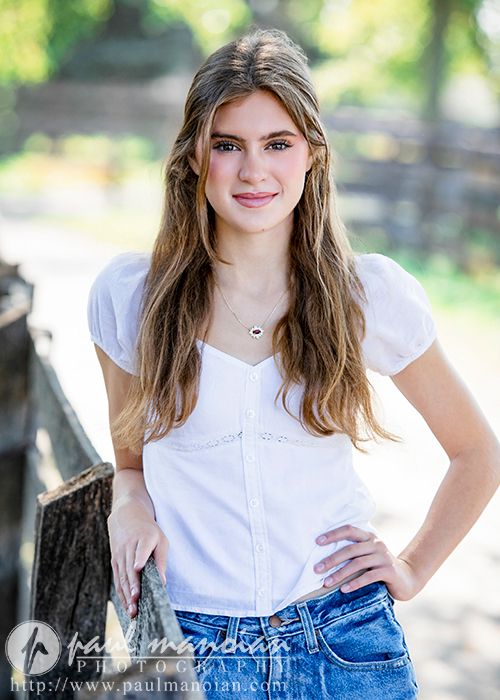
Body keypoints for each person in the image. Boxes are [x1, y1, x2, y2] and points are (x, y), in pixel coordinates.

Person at [88, 29, 500, 699]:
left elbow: (478, 452)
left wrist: (413, 566)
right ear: (195, 156)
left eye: (277, 144)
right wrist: (128, 509)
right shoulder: (132, 299)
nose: (254, 172)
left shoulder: (366, 296)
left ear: (311, 155)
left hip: (344, 642)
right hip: (194, 648)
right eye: (229, 145)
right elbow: (130, 464)